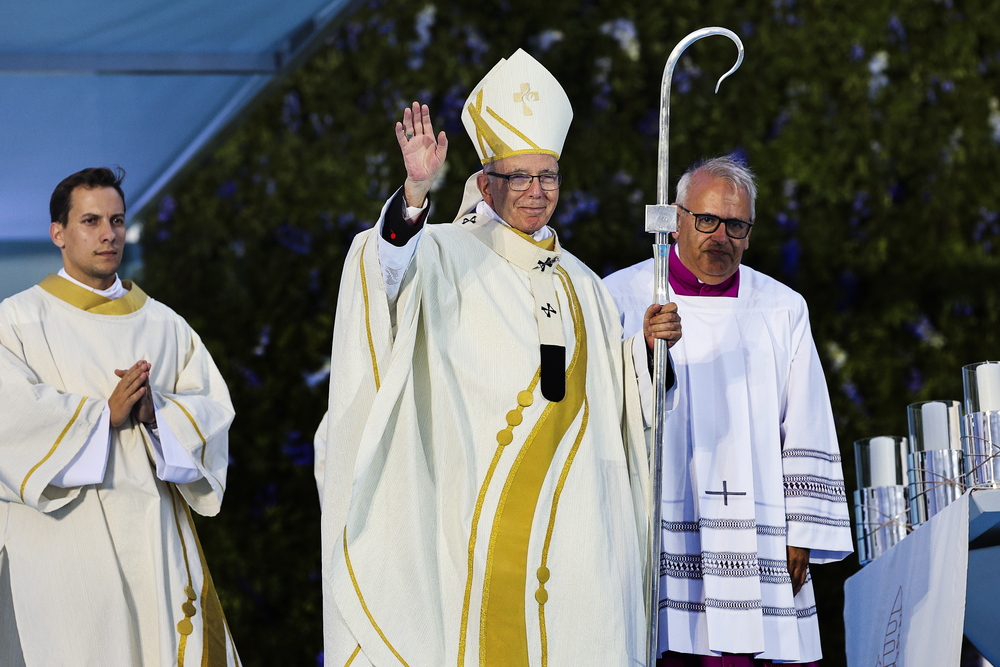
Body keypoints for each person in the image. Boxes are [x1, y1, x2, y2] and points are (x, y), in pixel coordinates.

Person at [315, 50, 680, 666]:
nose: (537, 193)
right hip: (474, 525)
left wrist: (647, 352)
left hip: (582, 534)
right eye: (520, 178)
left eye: (549, 177)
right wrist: (413, 194)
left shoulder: (585, 283)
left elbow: (622, 410)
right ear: (485, 184)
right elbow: (387, 273)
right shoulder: (446, 252)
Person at [604, 156, 852, 666]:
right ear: (677, 218)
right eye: (707, 220)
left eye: (736, 225)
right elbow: (600, 410)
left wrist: (802, 529)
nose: (721, 236)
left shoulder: (782, 308)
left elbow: (805, 419)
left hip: (759, 542)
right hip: (657, 530)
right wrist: (641, 350)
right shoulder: (623, 297)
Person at [0, 167, 240, 666]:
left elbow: (213, 411)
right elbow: (9, 420)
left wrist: (159, 415)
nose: (108, 234)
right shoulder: (17, 320)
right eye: (90, 221)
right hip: (60, 550)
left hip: (153, 537)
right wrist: (99, 418)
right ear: (58, 233)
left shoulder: (165, 325)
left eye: (117, 220)